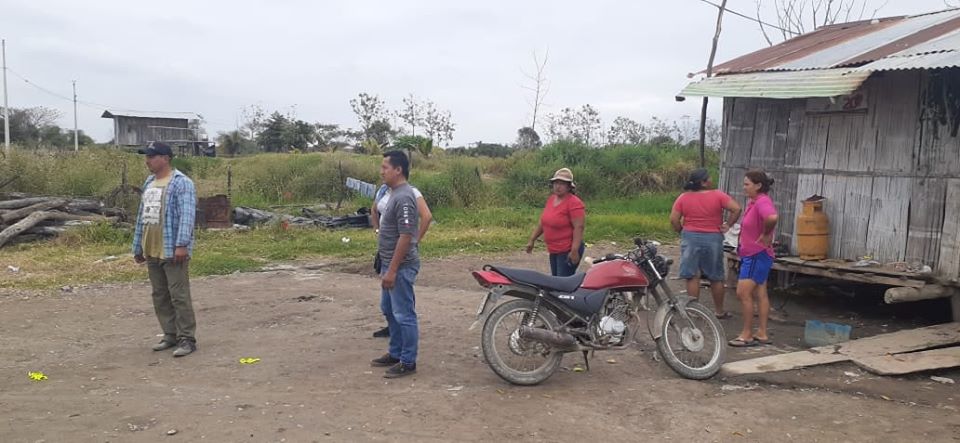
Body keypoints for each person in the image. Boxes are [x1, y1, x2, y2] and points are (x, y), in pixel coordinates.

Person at [131, 142, 199, 357]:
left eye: (152, 156)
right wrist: (137, 246)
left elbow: (187, 215)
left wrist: (182, 244)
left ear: (166, 158)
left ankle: (187, 338)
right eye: (147, 156)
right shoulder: (149, 182)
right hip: (151, 248)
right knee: (160, 294)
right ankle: (170, 334)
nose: (147, 161)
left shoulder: (181, 183)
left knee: (179, 295)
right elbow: (142, 216)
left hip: (172, 249)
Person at [370, 150, 421, 378]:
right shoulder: (392, 194)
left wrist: (392, 270)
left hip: (400, 267)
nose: (381, 172)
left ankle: (408, 361)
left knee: (403, 314)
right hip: (389, 264)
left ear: (398, 170)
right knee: (389, 309)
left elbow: (406, 235)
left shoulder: (404, 197)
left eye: (385, 167)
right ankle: (396, 352)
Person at [669, 168, 741, 319]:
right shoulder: (718, 195)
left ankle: (693, 312)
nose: (711, 180)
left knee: (692, 275)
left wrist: (682, 231)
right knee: (716, 276)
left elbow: (674, 219)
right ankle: (719, 311)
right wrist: (728, 225)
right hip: (713, 238)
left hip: (690, 238)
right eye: (709, 178)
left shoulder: (683, 197)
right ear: (703, 182)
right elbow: (736, 209)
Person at [370, 178, 432, 338]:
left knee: (402, 298)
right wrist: (378, 231)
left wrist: (415, 240)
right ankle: (394, 328)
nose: (382, 173)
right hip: (387, 251)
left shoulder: (411, 193)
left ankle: (405, 338)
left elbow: (426, 216)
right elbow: (374, 209)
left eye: (386, 168)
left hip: (402, 252)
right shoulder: (383, 191)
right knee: (388, 303)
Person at [729, 169, 778, 347]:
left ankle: (747, 334)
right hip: (754, 253)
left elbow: (772, 217)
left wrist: (766, 233)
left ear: (758, 185)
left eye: (747, 184)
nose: (744, 187)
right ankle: (762, 333)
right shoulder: (754, 202)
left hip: (756, 255)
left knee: (743, 293)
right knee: (760, 293)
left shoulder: (762, 201)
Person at [525, 168, 586, 276]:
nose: (558, 186)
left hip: (567, 250)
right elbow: (543, 222)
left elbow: (579, 227)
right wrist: (532, 239)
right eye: (556, 183)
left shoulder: (574, 203)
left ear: (569, 187)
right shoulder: (551, 199)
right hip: (554, 249)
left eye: (562, 184)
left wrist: (574, 250)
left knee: (562, 282)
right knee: (555, 280)